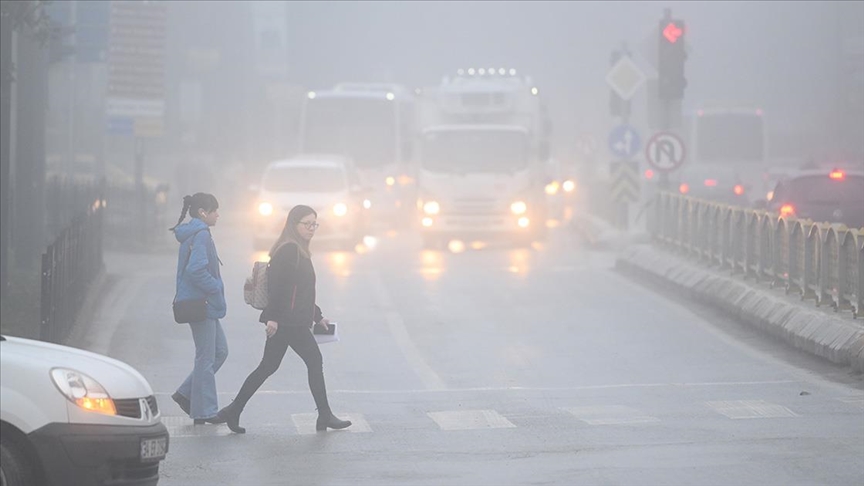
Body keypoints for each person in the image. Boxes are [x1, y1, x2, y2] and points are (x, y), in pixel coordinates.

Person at [217, 205, 351, 434]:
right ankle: (325, 415)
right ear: (293, 224)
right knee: (313, 361)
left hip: (292, 319)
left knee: (268, 366)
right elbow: (279, 288)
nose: (311, 229)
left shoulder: (298, 249)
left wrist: (317, 316)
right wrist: (273, 319)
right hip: (288, 321)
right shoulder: (289, 250)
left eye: (314, 224)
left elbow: (300, 291)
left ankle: (233, 410)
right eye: (307, 224)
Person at [169, 193, 229, 425]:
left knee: (219, 352)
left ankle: (186, 394)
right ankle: (205, 411)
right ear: (203, 213)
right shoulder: (201, 234)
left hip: (204, 304)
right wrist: (216, 287)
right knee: (206, 357)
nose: (218, 215)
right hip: (201, 304)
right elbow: (196, 270)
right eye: (215, 210)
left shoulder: (195, 232)